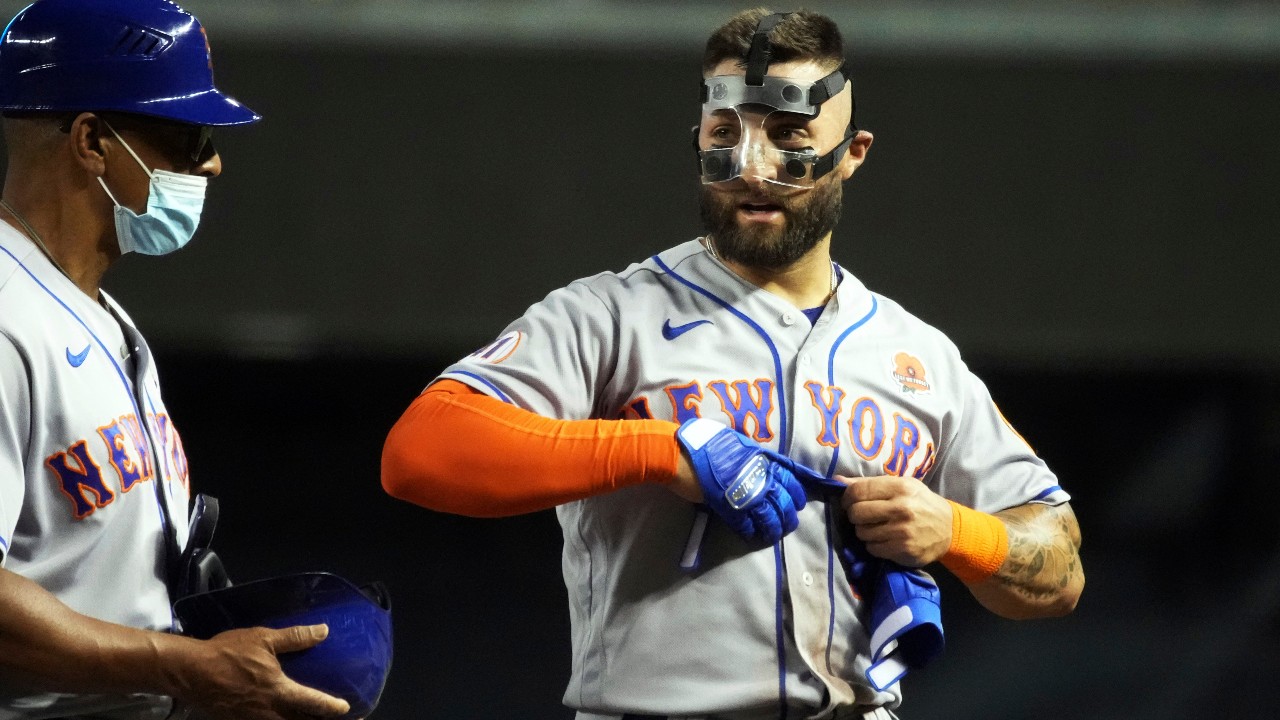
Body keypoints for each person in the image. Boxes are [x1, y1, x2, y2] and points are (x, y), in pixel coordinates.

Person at [381, 7, 1084, 719]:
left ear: (854, 152)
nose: (754, 168)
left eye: (790, 137)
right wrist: (660, 449)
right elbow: (421, 450)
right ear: (698, 141)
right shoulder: (612, 314)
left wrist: (958, 531)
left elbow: (1059, 567)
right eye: (726, 135)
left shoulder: (917, 354)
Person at [0, 1, 354, 718]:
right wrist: (188, 667)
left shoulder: (101, 316)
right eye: (189, 136)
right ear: (92, 140)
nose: (213, 161)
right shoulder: (7, 320)